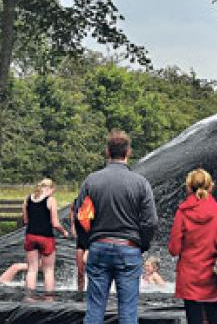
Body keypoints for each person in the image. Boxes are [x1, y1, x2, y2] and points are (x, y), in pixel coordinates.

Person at [78, 129, 158, 324]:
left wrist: (84, 245)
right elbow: (151, 221)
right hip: (129, 249)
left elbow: (81, 217)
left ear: (107, 152)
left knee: (95, 309)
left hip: (98, 246)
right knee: (128, 311)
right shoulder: (140, 183)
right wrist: (142, 245)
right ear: (128, 152)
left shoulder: (92, 181)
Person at [168, 169, 217, 324]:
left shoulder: (183, 212)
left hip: (189, 276)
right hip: (212, 275)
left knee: (194, 319)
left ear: (189, 188)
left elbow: (173, 249)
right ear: (210, 186)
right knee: (215, 318)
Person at [23, 178, 69, 292]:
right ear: (51, 188)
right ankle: (49, 299)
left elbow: (25, 220)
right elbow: (55, 223)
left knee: (32, 269)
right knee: (48, 270)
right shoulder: (51, 200)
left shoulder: (28, 199)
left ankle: (30, 297)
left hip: (30, 235)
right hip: (46, 237)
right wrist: (64, 232)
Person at [69, 195, 89, 291]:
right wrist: (72, 225)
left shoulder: (96, 202)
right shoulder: (76, 202)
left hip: (92, 239)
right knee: (80, 271)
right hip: (81, 240)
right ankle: (80, 291)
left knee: (88, 263)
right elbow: (72, 210)